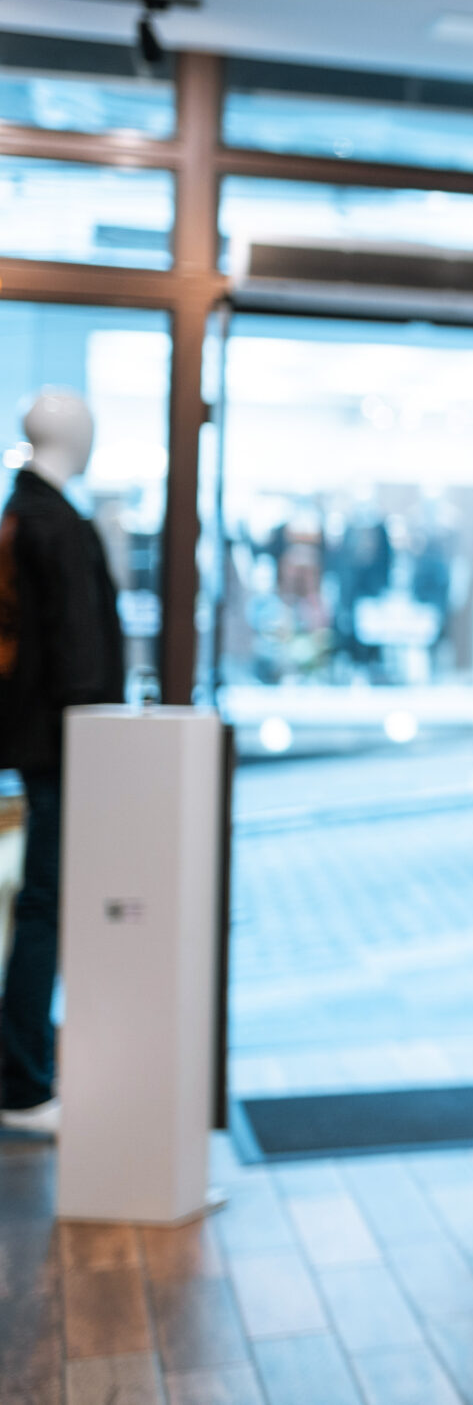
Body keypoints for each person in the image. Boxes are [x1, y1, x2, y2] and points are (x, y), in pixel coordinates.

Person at [0, 389, 127, 1135]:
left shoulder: (25, 513)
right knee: (47, 902)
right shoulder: (52, 521)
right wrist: (102, 729)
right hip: (62, 743)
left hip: (44, 740)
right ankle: (21, 1076)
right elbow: (79, 654)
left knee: (44, 901)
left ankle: (26, 1063)